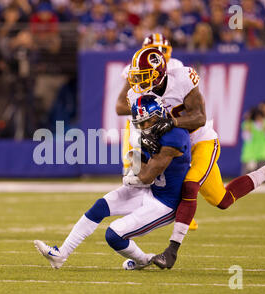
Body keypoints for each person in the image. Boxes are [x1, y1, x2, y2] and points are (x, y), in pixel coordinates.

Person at [128, 49, 265, 270]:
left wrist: (173, 123)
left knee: (190, 185)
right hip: (174, 148)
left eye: (144, 75)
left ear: (158, 73)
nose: (139, 81)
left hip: (200, 142)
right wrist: (143, 141)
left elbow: (200, 117)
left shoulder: (181, 79)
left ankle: (171, 251)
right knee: (222, 200)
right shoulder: (136, 95)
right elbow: (134, 129)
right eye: (138, 76)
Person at [34, 95, 191, 270]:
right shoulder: (151, 132)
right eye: (141, 123)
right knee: (100, 206)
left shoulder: (174, 138)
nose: (144, 127)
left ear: (159, 115)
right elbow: (144, 172)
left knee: (114, 235)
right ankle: (61, 254)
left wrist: (135, 159)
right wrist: (137, 157)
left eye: (147, 122)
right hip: (150, 190)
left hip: (165, 203)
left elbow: (146, 176)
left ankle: (143, 260)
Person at [115, 33, 199, 231]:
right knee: (132, 175)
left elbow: (196, 114)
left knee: (171, 174)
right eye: (155, 49)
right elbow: (120, 107)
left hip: (169, 129)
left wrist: (164, 117)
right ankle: (132, 220)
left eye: (163, 50)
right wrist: (147, 110)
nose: (160, 54)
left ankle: (173, 212)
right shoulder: (135, 72)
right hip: (140, 128)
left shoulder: (178, 71)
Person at [241, 103, 265, 173]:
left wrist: (264, 126)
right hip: (249, 156)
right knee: (247, 181)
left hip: (264, 156)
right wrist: (248, 123)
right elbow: (247, 138)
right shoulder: (248, 124)